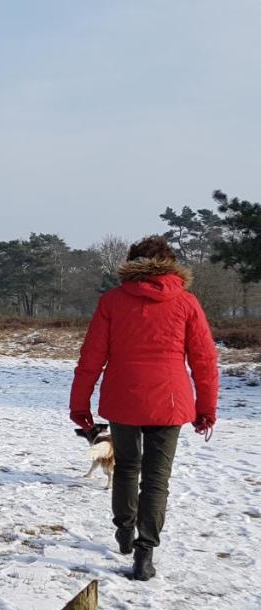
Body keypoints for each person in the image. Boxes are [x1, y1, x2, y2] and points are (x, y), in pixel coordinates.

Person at [69, 235, 218, 581]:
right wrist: (206, 407)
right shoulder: (186, 302)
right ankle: (145, 552)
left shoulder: (112, 301)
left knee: (126, 468)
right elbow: (205, 360)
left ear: (131, 264)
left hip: (123, 397)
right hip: (170, 400)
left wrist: (80, 404)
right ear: (171, 264)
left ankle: (124, 530)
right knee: (156, 478)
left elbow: (90, 358)